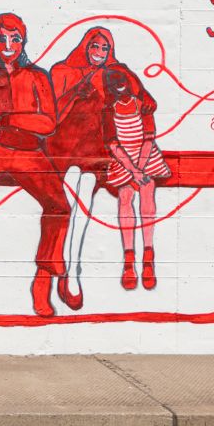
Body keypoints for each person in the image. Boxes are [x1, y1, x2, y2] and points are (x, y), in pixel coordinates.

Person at [0, 13, 72, 317]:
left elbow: (48, 123)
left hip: (29, 152)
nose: (8, 45)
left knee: (60, 207)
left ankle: (43, 280)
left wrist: (9, 119)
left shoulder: (37, 76)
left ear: (23, 40)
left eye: (14, 38)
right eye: (1, 38)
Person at [46, 26, 133, 306]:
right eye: (94, 46)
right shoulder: (62, 71)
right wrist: (75, 92)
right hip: (64, 148)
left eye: (105, 48)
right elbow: (51, 114)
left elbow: (136, 101)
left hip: (94, 151)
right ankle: (64, 265)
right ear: (84, 46)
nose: (99, 53)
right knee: (69, 198)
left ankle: (71, 270)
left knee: (83, 200)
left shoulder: (113, 75)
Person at [102, 63, 170, 290]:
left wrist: (140, 169)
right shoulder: (108, 111)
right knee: (125, 196)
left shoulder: (143, 106)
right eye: (113, 82)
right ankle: (129, 258)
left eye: (121, 80)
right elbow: (113, 145)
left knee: (147, 191)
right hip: (124, 161)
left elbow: (149, 140)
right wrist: (133, 171)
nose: (119, 85)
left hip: (145, 157)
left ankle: (148, 255)